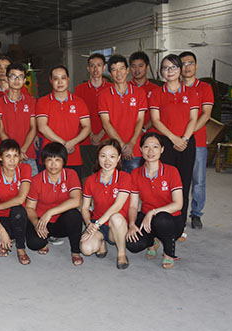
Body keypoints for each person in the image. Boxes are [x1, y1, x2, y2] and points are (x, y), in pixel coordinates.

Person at [149, 54, 199, 235]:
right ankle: (161, 223)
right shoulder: (156, 94)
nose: (169, 71)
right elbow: (155, 120)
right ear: (161, 72)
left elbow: (193, 118)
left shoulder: (191, 93)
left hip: (186, 143)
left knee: (183, 184)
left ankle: (180, 225)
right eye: (165, 68)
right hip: (165, 144)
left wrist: (184, 139)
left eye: (173, 67)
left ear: (180, 69)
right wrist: (173, 138)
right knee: (163, 184)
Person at [126, 133, 183, 269]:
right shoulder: (136, 173)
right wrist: (132, 224)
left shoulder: (172, 171)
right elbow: (133, 206)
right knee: (133, 244)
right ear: (141, 149)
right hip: (147, 220)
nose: (150, 151)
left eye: (155, 147)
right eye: (146, 147)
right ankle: (152, 243)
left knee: (161, 219)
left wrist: (153, 212)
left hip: (171, 220)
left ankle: (168, 253)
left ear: (162, 149)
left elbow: (178, 204)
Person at [25, 142, 84, 266]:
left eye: (57, 160)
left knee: (74, 215)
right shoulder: (36, 180)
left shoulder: (71, 175)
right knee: (34, 244)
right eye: (49, 160)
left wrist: (50, 212)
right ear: (44, 162)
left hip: (61, 222)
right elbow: (30, 207)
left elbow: (76, 200)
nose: (53, 164)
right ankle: (45, 240)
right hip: (42, 221)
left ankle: (75, 251)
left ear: (64, 162)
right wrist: (37, 224)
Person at [79, 139, 131, 269]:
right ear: (98, 157)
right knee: (86, 249)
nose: (107, 161)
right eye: (103, 156)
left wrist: (96, 224)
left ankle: (122, 253)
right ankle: (101, 241)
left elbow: (117, 206)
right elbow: (84, 208)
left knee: (116, 217)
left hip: (117, 225)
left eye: (112, 157)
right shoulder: (91, 180)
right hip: (98, 223)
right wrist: (89, 224)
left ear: (118, 158)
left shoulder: (124, 177)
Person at [36, 65, 91, 179]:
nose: (60, 82)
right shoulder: (43, 102)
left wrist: (73, 142)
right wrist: (64, 145)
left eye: (63, 78)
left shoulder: (79, 102)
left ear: (68, 79)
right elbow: (42, 127)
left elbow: (87, 127)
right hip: (50, 157)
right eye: (56, 79)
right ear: (51, 81)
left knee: (73, 188)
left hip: (73, 157)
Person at [179, 51, 214, 230]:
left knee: (198, 181)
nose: (187, 67)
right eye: (183, 64)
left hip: (197, 141)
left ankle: (196, 214)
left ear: (196, 66)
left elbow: (206, 114)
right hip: (176, 143)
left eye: (190, 63)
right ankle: (178, 213)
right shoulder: (174, 88)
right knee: (178, 181)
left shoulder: (205, 88)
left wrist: (187, 134)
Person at [98, 54, 147, 173]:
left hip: (134, 149)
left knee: (133, 182)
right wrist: (122, 145)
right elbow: (106, 123)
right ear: (110, 74)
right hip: (111, 150)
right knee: (111, 182)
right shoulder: (103, 95)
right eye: (114, 70)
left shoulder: (139, 93)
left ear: (127, 70)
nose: (118, 73)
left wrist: (131, 143)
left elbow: (140, 120)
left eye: (121, 68)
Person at [0, 139, 32, 265]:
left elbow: (21, 199)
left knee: (18, 211)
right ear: (0, 157)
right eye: (8, 156)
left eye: (15, 156)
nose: (12, 160)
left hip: (19, 215)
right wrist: (1, 231)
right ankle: (8, 237)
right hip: (1, 217)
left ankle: (20, 248)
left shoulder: (25, 169)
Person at [74, 53, 110, 178]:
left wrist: (100, 134)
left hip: (106, 138)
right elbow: (78, 115)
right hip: (85, 140)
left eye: (99, 65)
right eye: (92, 66)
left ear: (104, 68)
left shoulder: (111, 89)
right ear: (88, 69)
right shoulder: (79, 90)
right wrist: (90, 134)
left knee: (106, 175)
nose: (95, 69)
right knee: (86, 176)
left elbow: (113, 115)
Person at [0, 63, 38, 176]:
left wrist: (22, 150)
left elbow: (33, 128)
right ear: (7, 79)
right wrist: (15, 152)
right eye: (13, 76)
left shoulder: (31, 101)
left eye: (20, 77)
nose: (16, 80)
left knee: (33, 186)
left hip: (27, 155)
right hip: (7, 156)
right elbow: (0, 130)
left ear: (24, 80)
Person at [129, 51, 160, 130]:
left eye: (140, 66)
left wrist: (144, 128)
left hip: (151, 133)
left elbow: (159, 113)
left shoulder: (156, 89)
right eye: (133, 66)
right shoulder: (124, 88)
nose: (137, 69)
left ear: (147, 67)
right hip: (128, 132)